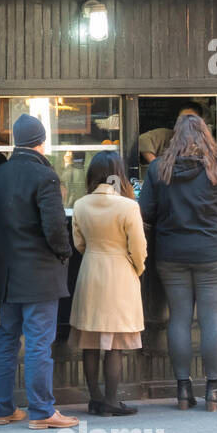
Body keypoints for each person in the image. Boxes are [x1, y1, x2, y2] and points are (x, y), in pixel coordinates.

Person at [0, 113, 77, 430]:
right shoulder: (46, 176)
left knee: (7, 339)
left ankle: (2, 409)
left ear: (17, 141)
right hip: (40, 273)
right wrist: (63, 254)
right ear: (41, 141)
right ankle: (42, 412)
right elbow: (55, 228)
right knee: (39, 343)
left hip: (7, 273)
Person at [139, 114, 217, 411]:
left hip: (172, 254)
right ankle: (213, 392)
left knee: (180, 319)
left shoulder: (159, 169)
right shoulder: (216, 167)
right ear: (205, 136)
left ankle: (183, 391)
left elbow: (145, 211)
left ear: (174, 138)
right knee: (211, 319)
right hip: (213, 253)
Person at [69, 152, 146, 417]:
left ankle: (95, 399)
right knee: (114, 344)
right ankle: (112, 401)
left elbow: (79, 244)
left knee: (89, 340)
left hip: (90, 271)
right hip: (120, 274)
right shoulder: (127, 206)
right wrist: (137, 267)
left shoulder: (80, 204)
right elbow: (139, 247)